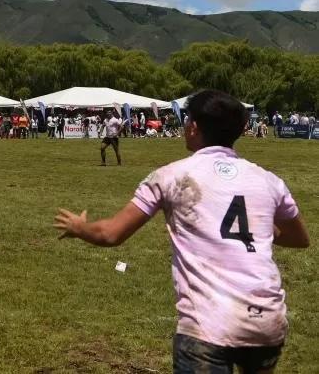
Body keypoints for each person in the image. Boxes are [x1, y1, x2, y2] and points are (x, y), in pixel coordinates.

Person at [54, 90, 309, 374]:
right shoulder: (268, 180)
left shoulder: (172, 176)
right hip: (266, 320)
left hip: (207, 324)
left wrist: (80, 227)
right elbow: (300, 239)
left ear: (194, 127)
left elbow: (112, 234)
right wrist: (257, 230)